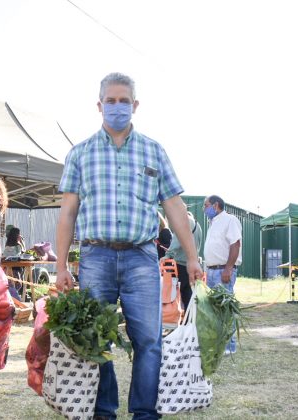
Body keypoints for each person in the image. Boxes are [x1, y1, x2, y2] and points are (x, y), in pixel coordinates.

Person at [55, 72, 202, 420]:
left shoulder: (154, 151)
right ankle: (104, 411)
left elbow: (176, 209)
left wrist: (193, 257)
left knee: (148, 341)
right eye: (111, 100)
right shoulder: (80, 154)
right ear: (99, 105)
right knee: (95, 340)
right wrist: (61, 266)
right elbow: (67, 214)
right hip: (95, 257)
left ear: (135, 106)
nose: (117, 107)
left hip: (141, 257)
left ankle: (144, 412)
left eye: (124, 101)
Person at [202, 195, 242, 355]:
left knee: (224, 309)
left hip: (223, 271)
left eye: (206, 206)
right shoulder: (213, 223)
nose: (204, 209)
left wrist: (228, 268)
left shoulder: (230, 220)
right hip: (212, 271)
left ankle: (229, 346)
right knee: (214, 310)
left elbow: (235, 244)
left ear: (216, 205)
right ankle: (218, 345)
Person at [164, 211, 202, 312]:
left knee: (175, 296)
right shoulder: (197, 225)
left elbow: (177, 240)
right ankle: (189, 322)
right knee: (188, 296)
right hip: (191, 264)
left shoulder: (184, 222)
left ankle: (175, 320)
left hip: (180, 264)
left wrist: (168, 255)